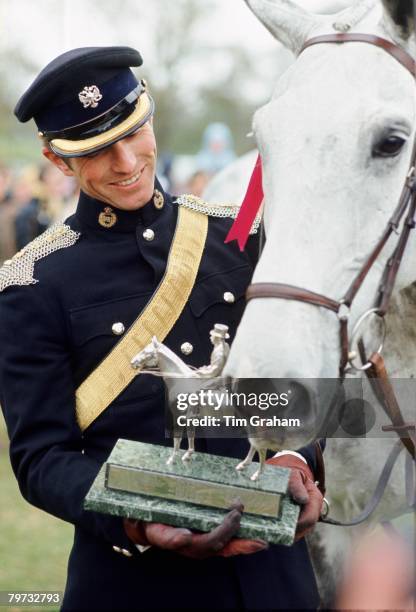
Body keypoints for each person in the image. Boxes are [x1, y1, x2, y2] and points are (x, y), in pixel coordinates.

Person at [0, 46, 324, 610]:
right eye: (98, 151)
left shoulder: (241, 238)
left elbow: (297, 383)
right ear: (58, 161)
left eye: (132, 132)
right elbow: (42, 458)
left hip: (275, 582)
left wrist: (299, 457)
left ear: (148, 115)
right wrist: (135, 521)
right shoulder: (31, 283)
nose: (126, 162)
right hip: (135, 587)